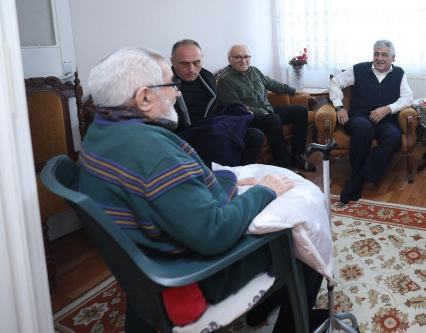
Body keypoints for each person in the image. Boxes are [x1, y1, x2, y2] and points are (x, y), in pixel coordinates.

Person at [79, 47, 327, 331]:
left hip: (153, 263)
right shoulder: (154, 153)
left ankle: (264, 306)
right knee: (306, 232)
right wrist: (265, 190)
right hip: (197, 274)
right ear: (144, 98)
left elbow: (173, 193)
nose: (177, 93)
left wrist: (225, 180)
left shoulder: (99, 135)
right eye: (170, 84)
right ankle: (293, 326)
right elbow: (215, 233)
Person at [329, 39, 414, 204]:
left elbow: (408, 98)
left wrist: (388, 109)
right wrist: (339, 107)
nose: (379, 58)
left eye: (384, 55)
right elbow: (335, 82)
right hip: (359, 117)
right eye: (376, 54)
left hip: (386, 120)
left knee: (394, 138)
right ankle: (357, 177)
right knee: (363, 128)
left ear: (393, 57)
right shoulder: (359, 69)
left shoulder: (399, 73)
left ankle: (358, 178)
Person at [216, 44, 314, 172]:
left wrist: (295, 91)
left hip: (268, 111)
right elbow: (236, 106)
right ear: (230, 59)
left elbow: (272, 84)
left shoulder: (254, 71)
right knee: (273, 119)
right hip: (248, 117)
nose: (243, 60)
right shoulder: (225, 80)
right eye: (238, 57)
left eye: (246, 56)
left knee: (300, 111)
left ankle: (297, 157)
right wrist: (262, 112)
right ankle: (284, 164)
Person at [170, 39, 265, 167]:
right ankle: (223, 176)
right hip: (184, 134)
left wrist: (237, 110)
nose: (191, 69)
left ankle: (240, 174)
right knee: (216, 142)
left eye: (197, 62)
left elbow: (213, 110)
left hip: (209, 126)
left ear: (201, 58)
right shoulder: (164, 84)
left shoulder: (207, 78)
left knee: (255, 135)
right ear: (172, 61)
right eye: (185, 64)